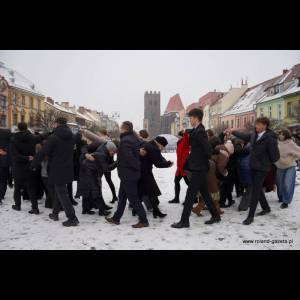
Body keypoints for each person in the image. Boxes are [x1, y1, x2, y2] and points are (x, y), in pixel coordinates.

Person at [171, 108, 221, 228]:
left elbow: (208, 150)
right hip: (198, 167)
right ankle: (216, 216)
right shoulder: (197, 130)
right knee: (205, 193)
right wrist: (185, 131)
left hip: (199, 167)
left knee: (190, 195)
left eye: (191, 118)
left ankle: (184, 221)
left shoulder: (201, 132)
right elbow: (193, 133)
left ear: (196, 118)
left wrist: (213, 152)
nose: (190, 120)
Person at [228, 117, 280, 225]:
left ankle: (250, 217)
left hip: (262, 168)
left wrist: (265, 160)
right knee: (257, 188)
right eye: (256, 124)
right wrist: (233, 131)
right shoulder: (254, 135)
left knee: (255, 190)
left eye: (258, 124)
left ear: (264, 125)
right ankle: (266, 208)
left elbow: (275, 157)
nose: (255, 126)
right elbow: (244, 136)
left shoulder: (270, 139)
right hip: (252, 166)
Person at [31, 117, 79, 227]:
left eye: (54, 124)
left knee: (62, 193)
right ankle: (55, 213)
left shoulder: (54, 137)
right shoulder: (71, 136)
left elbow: (43, 152)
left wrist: (33, 164)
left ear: (56, 124)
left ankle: (72, 217)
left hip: (57, 169)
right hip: (68, 167)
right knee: (59, 191)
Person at [106, 121, 149, 228]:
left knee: (133, 198)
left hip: (128, 174)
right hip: (129, 174)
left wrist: (135, 167)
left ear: (124, 128)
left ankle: (143, 220)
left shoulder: (125, 141)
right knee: (122, 197)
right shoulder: (132, 138)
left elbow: (129, 158)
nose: (120, 129)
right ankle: (116, 218)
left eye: (121, 127)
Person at [10, 123, 46, 214]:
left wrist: (24, 158)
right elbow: (42, 137)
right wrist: (52, 132)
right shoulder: (32, 137)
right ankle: (35, 208)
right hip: (30, 167)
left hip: (18, 168)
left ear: (18, 128)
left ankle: (17, 205)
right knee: (31, 188)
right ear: (27, 128)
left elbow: (14, 155)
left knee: (17, 188)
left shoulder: (14, 139)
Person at [77, 141, 117, 216]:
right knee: (95, 190)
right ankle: (101, 210)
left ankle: (86, 209)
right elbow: (106, 168)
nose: (113, 154)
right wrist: (117, 162)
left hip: (88, 169)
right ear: (109, 149)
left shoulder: (104, 150)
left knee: (89, 189)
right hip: (89, 171)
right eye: (113, 152)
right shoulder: (101, 152)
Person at [137, 135, 173, 218]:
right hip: (145, 172)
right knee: (150, 191)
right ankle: (151, 211)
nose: (163, 149)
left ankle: (155, 211)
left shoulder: (149, 144)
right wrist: (168, 164)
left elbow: (159, 157)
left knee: (148, 192)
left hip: (142, 171)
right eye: (163, 147)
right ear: (160, 144)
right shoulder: (153, 148)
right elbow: (158, 164)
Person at [275, 129, 300, 208]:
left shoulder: (291, 143)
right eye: (280, 134)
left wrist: (293, 158)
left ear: (286, 135)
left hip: (290, 166)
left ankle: (286, 201)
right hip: (279, 166)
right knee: (280, 184)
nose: (280, 135)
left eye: (283, 134)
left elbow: (299, 152)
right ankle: (281, 197)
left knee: (287, 184)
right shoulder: (276, 143)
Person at [98, 128, 118, 204]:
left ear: (101, 133)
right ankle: (114, 196)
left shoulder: (101, 139)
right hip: (109, 162)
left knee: (98, 181)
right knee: (109, 180)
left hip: (103, 163)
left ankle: (99, 198)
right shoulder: (109, 139)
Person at [169, 130, 190, 204]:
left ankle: (191, 199)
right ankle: (176, 198)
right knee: (176, 181)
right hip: (179, 167)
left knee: (189, 184)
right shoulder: (180, 142)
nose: (177, 137)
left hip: (184, 166)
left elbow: (186, 137)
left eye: (178, 136)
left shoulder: (185, 141)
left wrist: (184, 133)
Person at [0, 128, 11, 204]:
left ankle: (2, 194)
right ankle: (2, 194)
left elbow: (11, 143)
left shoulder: (6, 132)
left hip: (4, 159)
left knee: (3, 178)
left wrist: (5, 151)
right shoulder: (7, 132)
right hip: (5, 159)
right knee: (3, 178)